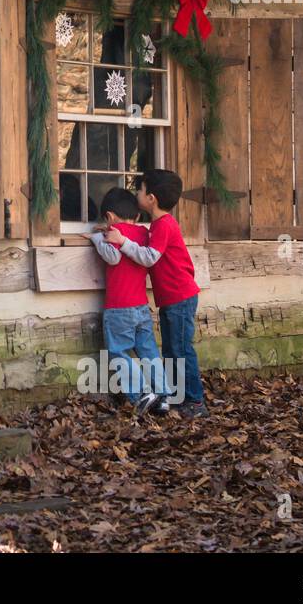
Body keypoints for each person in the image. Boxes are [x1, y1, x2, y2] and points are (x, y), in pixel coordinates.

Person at [105, 169, 208, 418]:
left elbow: (150, 257)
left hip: (180, 296)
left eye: (140, 190)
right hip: (171, 298)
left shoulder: (163, 225)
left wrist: (122, 242)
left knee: (181, 349)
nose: (136, 194)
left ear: (151, 198)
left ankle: (194, 401)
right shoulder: (155, 226)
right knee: (172, 349)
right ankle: (174, 396)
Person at [88, 186, 170, 418]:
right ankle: (163, 395)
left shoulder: (114, 232)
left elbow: (112, 258)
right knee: (149, 351)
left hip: (118, 308)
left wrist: (96, 238)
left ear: (109, 217)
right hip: (141, 307)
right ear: (136, 216)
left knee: (119, 352)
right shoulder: (143, 234)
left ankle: (141, 393)